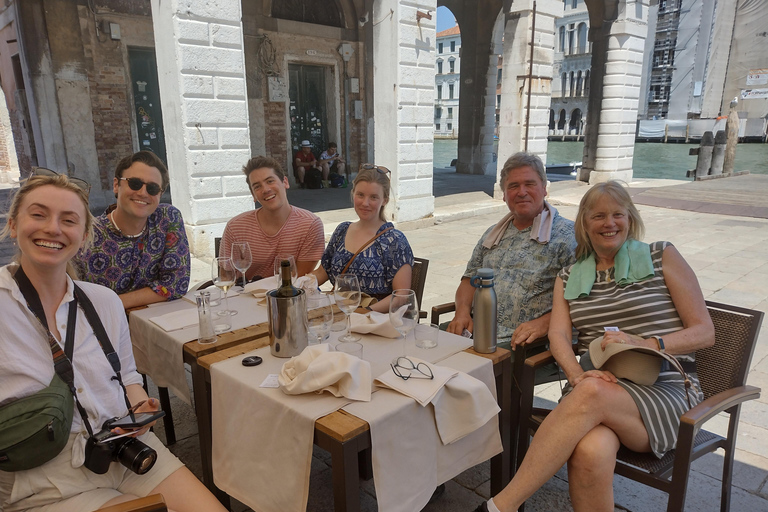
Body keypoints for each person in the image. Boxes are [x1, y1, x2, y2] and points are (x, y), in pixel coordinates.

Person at [476, 181, 715, 512]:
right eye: (599, 216)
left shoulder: (661, 255)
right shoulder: (570, 275)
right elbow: (559, 335)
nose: (610, 223)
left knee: (588, 394)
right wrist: (575, 374)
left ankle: (502, 506)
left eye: (618, 214)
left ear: (630, 218)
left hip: (666, 389)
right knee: (591, 450)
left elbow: (705, 332)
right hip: (597, 386)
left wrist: (646, 343)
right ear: (584, 224)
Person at [0, 172, 227, 512]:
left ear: (84, 235)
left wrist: (138, 405)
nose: (53, 228)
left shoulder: (104, 302)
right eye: (39, 214)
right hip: (41, 475)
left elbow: (127, 378)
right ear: (14, 224)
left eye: (69, 220)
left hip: (124, 449)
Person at [446, 152, 576, 349]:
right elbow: (469, 279)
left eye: (529, 184)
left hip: (523, 345)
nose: (521, 192)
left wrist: (544, 324)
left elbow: (582, 300)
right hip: (475, 331)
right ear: (504, 195)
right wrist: (462, 312)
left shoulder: (568, 236)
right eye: (513, 186)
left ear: (544, 188)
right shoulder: (492, 234)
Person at [73, 151, 190, 310]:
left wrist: (113, 303)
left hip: (155, 325)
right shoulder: (88, 235)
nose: (142, 193)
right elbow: (77, 301)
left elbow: (176, 285)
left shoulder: (167, 219)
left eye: (153, 188)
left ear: (160, 194)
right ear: (116, 185)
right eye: (135, 183)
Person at [311, 164, 413, 313]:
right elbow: (322, 272)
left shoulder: (394, 241)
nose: (365, 203)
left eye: (373, 197)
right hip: (340, 315)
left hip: (375, 322)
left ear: (384, 200)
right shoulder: (342, 230)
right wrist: (297, 285)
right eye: (360, 195)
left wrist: (365, 312)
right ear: (353, 194)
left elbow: (401, 296)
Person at [220, 156, 325, 280]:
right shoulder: (236, 227)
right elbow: (225, 277)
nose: (266, 189)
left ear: (285, 182)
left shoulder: (310, 224)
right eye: (257, 187)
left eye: (270, 181)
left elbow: (299, 280)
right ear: (253, 195)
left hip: (289, 296)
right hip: (244, 297)